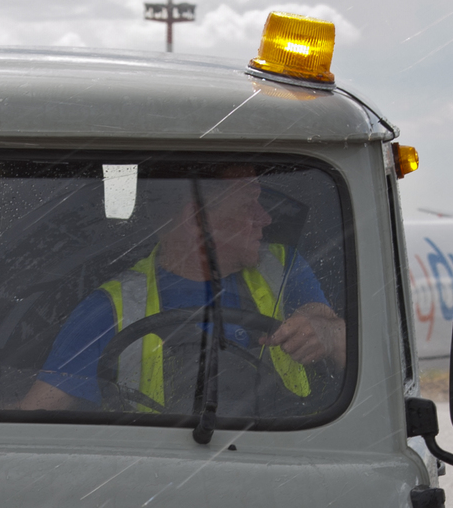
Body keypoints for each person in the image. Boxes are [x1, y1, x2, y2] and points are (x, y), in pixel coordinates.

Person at [18, 167, 346, 411]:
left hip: (288, 457)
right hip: (161, 474)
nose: (265, 219)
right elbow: (37, 413)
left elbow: (345, 345)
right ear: (196, 220)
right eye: (249, 206)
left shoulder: (284, 267)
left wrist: (328, 334)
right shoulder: (109, 308)